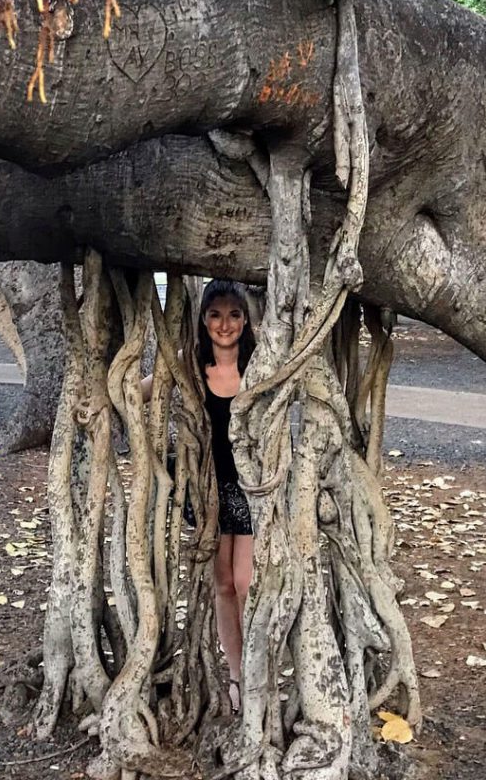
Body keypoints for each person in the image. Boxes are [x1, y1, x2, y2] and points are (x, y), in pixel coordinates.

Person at [195, 279, 256, 713]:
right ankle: (235, 676)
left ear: (246, 318)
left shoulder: (258, 366)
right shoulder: (192, 367)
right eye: (215, 314)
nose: (224, 323)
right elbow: (142, 389)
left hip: (252, 489)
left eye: (234, 313)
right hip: (212, 490)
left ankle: (258, 669)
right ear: (203, 319)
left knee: (246, 581)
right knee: (222, 585)